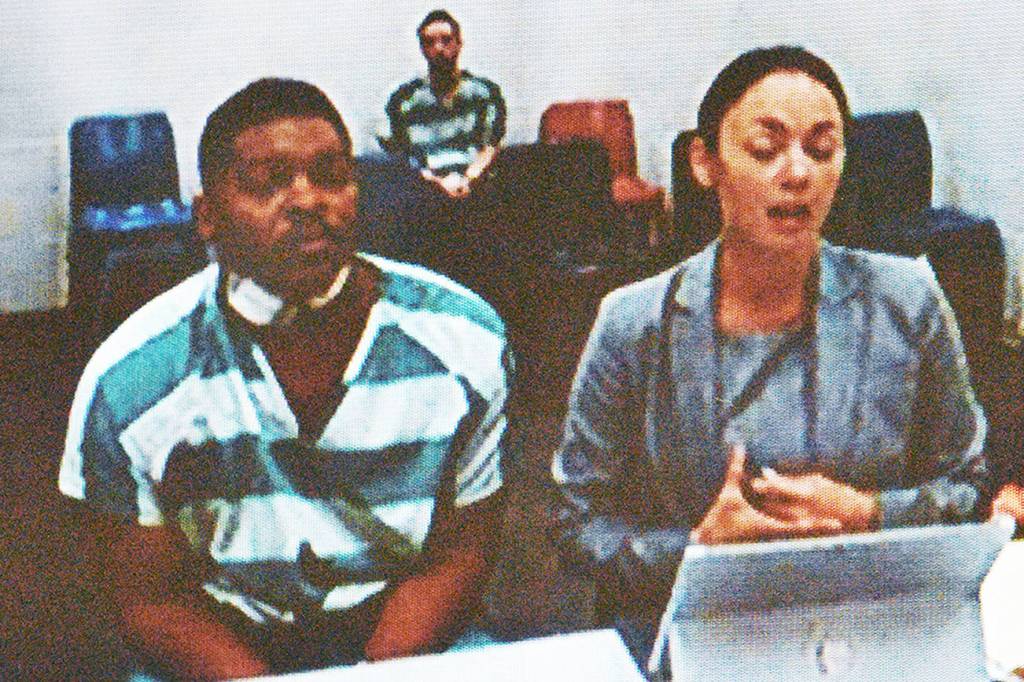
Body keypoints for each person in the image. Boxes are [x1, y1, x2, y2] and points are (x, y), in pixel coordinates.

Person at [59, 78, 511, 680]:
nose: (306, 200)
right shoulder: (131, 382)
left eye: (331, 176)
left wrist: (377, 675)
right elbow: (153, 600)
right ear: (207, 217)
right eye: (267, 183)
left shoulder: (465, 340)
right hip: (223, 642)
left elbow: (460, 553)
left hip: (404, 630)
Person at [551, 46, 989, 627]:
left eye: (822, 149)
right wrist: (698, 551)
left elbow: (970, 486)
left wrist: (870, 513)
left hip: (868, 618)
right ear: (705, 163)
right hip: (701, 632)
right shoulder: (634, 324)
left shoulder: (906, 300)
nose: (798, 174)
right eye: (765, 149)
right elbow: (576, 524)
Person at [367, 10, 507, 293]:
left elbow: (491, 144)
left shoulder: (484, 92)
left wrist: (468, 178)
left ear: (459, 44)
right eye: (430, 42)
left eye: (446, 40)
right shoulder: (404, 100)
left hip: (475, 187)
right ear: (422, 49)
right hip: (427, 191)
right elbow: (405, 156)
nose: (439, 49)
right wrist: (438, 182)